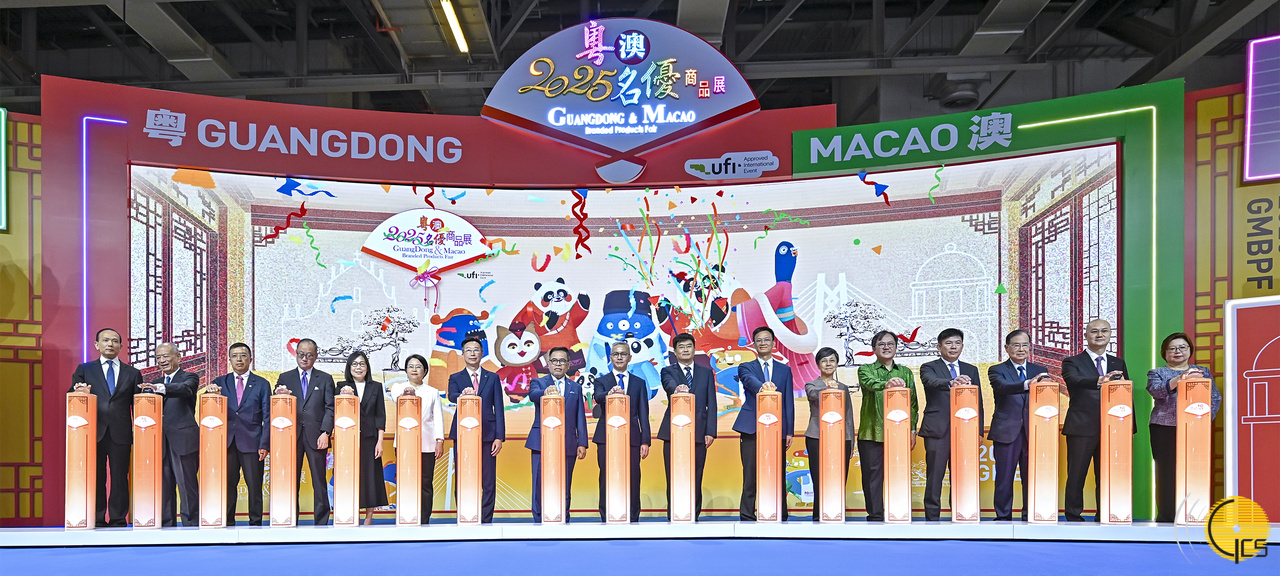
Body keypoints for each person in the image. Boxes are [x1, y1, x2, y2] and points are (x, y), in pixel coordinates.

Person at [69, 328, 146, 527]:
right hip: (93, 432)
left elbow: (138, 405)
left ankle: (118, 519)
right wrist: (81, 393)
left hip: (121, 432)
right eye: (105, 340)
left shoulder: (133, 373)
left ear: (121, 346)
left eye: (114, 341)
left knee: (120, 477)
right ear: (97, 345)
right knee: (96, 477)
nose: (110, 344)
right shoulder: (85, 370)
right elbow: (73, 399)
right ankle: (97, 518)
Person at [1147, 332, 1221, 523]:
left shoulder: (1202, 372)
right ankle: (1166, 517)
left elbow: (1214, 398)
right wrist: (1180, 379)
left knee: (1195, 470)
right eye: (1172, 348)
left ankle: (1195, 514)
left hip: (1196, 429)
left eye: (1182, 347)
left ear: (1189, 350)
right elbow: (1156, 391)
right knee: (1166, 472)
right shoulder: (1157, 372)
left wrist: (1204, 420)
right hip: (1164, 428)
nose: (1177, 351)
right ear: (1165, 353)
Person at [1060, 318, 1129, 522]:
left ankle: (1106, 514)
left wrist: (1129, 427)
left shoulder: (1118, 363)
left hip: (1113, 427)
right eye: (1094, 331)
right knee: (1077, 474)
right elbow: (1074, 380)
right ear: (1086, 335)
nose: (1099, 335)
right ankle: (1073, 516)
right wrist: (1100, 380)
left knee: (1108, 474)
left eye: (1104, 331)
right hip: (1081, 425)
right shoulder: (1072, 362)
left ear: (1110, 335)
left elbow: (1125, 393)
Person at [987, 329, 1056, 521]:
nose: (1021, 349)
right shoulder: (996, 370)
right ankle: (1003, 517)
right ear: (1006, 348)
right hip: (1007, 431)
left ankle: (1030, 515)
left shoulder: (1040, 370)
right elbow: (1002, 387)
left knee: (1031, 476)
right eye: (1016, 345)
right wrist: (1027, 384)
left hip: (1034, 432)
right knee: (1004, 477)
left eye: (1025, 345)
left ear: (1030, 347)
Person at [917, 328, 985, 522]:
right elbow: (931, 382)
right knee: (935, 476)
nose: (953, 347)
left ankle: (961, 515)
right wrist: (952, 382)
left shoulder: (971, 369)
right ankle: (932, 519)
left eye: (957, 343)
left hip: (966, 430)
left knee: (962, 476)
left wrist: (979, 431)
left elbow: (978, 401)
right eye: (948, 343)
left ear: (962, 346)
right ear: (939, 347)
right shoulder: (928, 367)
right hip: (938, 430)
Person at [733, 326, 796, 521]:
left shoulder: (785, 370)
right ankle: (747, 514)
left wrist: (789, 431)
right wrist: (763, 387)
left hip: (777, 430)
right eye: (759, 340)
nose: (763, 343)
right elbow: (748, 381)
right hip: (751, 428)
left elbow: (788, 402)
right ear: (754, 344)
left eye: (766, 339)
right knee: (750, 473)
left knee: (777, 472)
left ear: (773, 343)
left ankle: (779, 512)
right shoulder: (746, 367)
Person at [856, 330, 919, 522]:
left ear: (896, 347)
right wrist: (887, 383)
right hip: (871, 432)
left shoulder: (906, 372)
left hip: (899, 434)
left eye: (890, 344)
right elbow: (869, 383)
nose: (886, 347)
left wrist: (913, 429)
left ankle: (898, 513)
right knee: (872, 477)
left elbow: (913, 404)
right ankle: (875, 515)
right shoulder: (865, 369)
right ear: (874, 348)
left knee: (898, 474)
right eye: (881, 344)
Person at [205, 342, 269, 526]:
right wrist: (210, 394)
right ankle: (227, 522)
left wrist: (264, 444)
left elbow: (268, 416)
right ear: (229, 359)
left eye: (243, 355)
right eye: (234, 356)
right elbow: (209, 412)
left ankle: (255, 523)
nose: (239, 359)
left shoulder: (262, 384)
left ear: (250, 359)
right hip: (227, 443)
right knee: (227, 485)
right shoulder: (219, 382)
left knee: (254, 486)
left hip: (252, 443)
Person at [274, 338, 336, 525]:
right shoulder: (285, 378)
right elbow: (276, 407)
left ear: (316, 356)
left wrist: (325, 432)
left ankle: (321, 522)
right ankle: (290, 520)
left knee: (319, 481)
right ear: (296, 354)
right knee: (290, 481)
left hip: (317, 436)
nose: (304, 358)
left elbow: (330, 408)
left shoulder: (325, 379)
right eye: (301, 354)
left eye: (309, 355)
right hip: (290, 438)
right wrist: (279, 396)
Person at [657, 332, 718, 520]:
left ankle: (694, 515)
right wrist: (677, 389)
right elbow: (668, 384)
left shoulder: (706, 373)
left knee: (696, 475)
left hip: (699, 432)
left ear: (694, 349)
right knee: (673, 475)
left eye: (688, 346)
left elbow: (712, 403)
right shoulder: (668, 371)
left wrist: (710, 432)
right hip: (673, 433)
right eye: (681, 347)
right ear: (675, 352)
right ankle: (674, 514)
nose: (685, 350)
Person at [447, 336, 507, 524]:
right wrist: (462, 395)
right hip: (463, 435)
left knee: (488, 481)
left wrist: (499, 437)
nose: (472, 353)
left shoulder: (493, 377)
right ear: (463, 354)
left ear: (482, 353)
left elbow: (499, 407)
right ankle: (465, 517)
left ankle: (486, 520)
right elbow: (451, 396)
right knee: (463, 477)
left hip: (488, 435)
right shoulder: (455, 378)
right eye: (468, 350)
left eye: (476, 350)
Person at [526, 346, 588, 522]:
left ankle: (563, 518)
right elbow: (533, 395)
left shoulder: (575, 387)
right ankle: (539, 520)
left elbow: (580, 416)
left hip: (568, 443)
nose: (558, 364)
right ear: (548, 364)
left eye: (562, 361)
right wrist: (545, 393)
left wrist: (582, 443)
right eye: (554, 360)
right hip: (541, 443)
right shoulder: (539, 382)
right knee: (539, 483)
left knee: (564, 483)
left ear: (568, 365)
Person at [592, 341, 652, 522]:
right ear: (611, 358)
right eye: (616, 354)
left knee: (633, 477)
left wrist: (645, 441)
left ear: (629, 357)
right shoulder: (601, 381)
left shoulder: (639, 383)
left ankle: (632, 516)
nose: (619, 357)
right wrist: (610, 394)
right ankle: (606, 516)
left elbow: (643, 413)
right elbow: (598, 397)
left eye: (623, 354)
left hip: (632, 438)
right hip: (606, 438)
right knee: (606, 476)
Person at [804, 347, 855, 522]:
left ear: (837, 364)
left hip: (841, 438)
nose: (828, 364)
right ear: (818, 364)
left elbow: (848, 416)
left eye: (832, 360)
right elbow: (813, 395)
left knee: (839, 477)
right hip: (816, 437)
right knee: (819, 478)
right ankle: (819, 515)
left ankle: (836, 514)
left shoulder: (843, 388)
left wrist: (850, 442)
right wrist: (828, 389)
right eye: (824, 361)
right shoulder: (811, 385)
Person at [392, 354, 444, 524]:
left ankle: (424, 519)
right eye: (411, 366)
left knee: (425, 482)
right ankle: (406, 517)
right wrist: (408, 394)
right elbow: (397, 399)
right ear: (406, 370)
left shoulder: (433, 392)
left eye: (418, 366)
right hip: (404, 443)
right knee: (406, 481)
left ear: (425, 371)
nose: (414, 369)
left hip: (427, 443)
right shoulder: (398, 388)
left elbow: (438, 418)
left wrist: (439, 440)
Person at [337, 351, 387, 525]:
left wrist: (380, 441)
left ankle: (368, 517)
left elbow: (380, 415)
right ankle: (351, 514)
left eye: (362, 364)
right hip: (347, 440)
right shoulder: (341, 387)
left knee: (370, 477)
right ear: (349, 367)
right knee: (349, 476)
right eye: (355, 364)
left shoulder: (376, 387)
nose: (358, 367)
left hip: (370, 439)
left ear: (367, 367)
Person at [154, 343, 200, 527]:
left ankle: (191, 524)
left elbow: (186, 389)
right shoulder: (155, 382)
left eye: (166, 356)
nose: (162, 360)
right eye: (158, 357)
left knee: (187, 486)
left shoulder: (189, 377)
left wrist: (161, 388)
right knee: (164, 487)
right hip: (160, 442)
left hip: (183, 441)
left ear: (178, 357)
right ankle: (167, 525)